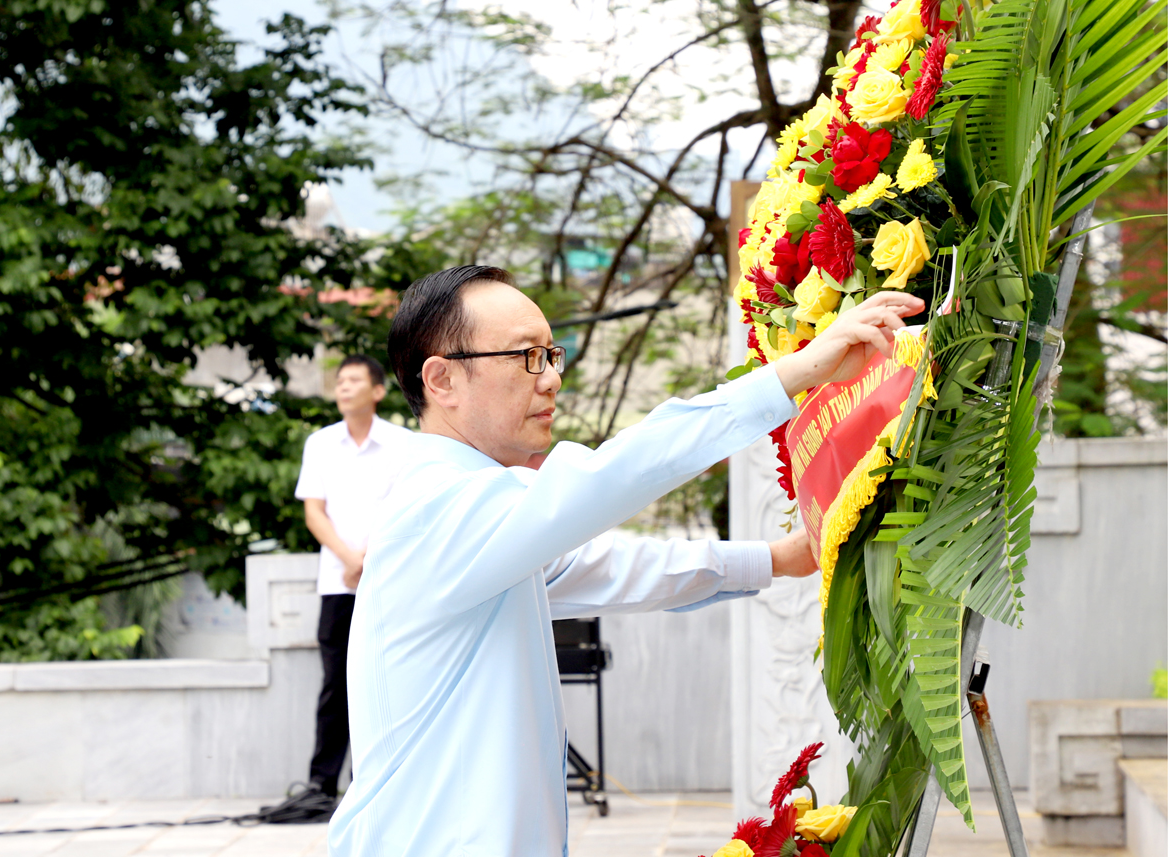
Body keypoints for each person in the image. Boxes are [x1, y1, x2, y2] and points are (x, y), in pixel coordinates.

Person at [326, 266, 925, 855]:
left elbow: (613, 567)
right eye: (525, 357)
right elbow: (606, 477)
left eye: (552, 355)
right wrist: (790, 376)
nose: (551, 379)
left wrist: (779, 559)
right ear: (442, 380)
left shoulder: (481, 518)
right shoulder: (438, 507)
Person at [283, 354, 412, 816]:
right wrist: (349, 557)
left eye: (354, 379)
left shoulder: (403, 444)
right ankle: (321, 786)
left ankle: (375, 783)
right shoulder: (320, 444)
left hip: (387, 582)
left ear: (377, 391)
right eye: (340, 381)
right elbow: (314, 511)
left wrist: (370, 558)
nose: (344, 387)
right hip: (338, 584)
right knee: (335, 685)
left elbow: (407, 509)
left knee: (384, 682)